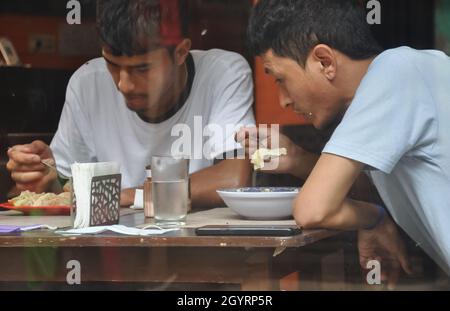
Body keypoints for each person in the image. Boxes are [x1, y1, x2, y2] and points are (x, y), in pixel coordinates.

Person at [238, 0, 450, 288]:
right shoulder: (403, 76)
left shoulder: (395, 71)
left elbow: (313, 209)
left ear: (324, 61)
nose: (283, 100)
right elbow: (367, 190)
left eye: (280, 79)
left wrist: (373, 219)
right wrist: (297, 158)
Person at [6, 0, 254, 209]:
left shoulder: (223, 73)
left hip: (200, 255)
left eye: (142, 68)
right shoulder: (87, 82)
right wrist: (45, 177)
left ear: (180, 52)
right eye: (112, 65)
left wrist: (131, 195)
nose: (124, 84)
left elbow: (232, 178)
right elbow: (64, 187)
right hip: (112, 256)